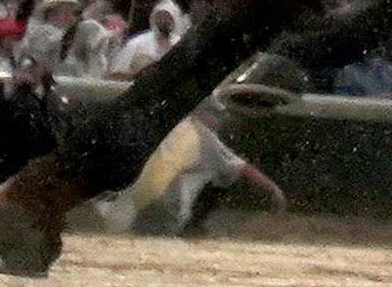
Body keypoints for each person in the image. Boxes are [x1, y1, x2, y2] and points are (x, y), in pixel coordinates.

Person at [123, 101, 287, 241]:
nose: (219, 121)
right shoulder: (204, 136)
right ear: (200, 114)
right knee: (225, 174)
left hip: (138, 201)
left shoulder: (172, 125)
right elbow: (243, 169)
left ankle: (188, 227)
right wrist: (274, 189)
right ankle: (193, 226)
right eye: (216, 115)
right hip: (166, 207)